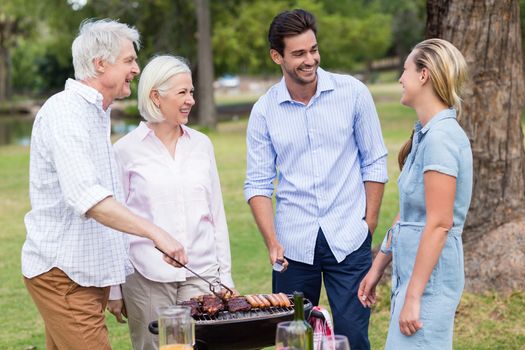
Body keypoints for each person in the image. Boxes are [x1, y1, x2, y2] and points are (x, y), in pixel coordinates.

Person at [21, 20, 187, 350]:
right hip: (65, 278)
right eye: (129, 60)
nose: (136, 69)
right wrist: (156, 233)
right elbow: (90, 198)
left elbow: (106, 208)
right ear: (100, 63)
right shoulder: (67, 113)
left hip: (82, 277)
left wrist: (113, 284)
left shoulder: (96, 114)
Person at [243, 9, 388, 350]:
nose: (310, 60)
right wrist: (271, 241)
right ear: (276, 56)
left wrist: (368, 223)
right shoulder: (264, 111)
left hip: (349, 239)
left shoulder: (353, 93)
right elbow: (258, 184)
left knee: (353, 336)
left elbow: (375, 162)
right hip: (292, 247)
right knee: (294, 340)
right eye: (298, 54)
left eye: (313, 50)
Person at [106, 55, 236, 350]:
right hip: (146, 277)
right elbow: (114, 221)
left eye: (191, 92)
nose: (191, 99)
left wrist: (224, 276)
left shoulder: (202, 145)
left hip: (202, 275)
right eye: (182, 93)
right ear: (156, 96)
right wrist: (114, 288)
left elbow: (216, 214)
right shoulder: (125, 151)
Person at [357, 38, 472, 350]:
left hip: (429, 283)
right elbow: (409, 214)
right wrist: (378, 267)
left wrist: (414, 295)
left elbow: (439, 223)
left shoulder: (442, 139)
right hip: (413, 278)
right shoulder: (425, 136)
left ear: (424, 75)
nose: (400, 78)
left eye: (406, 70)